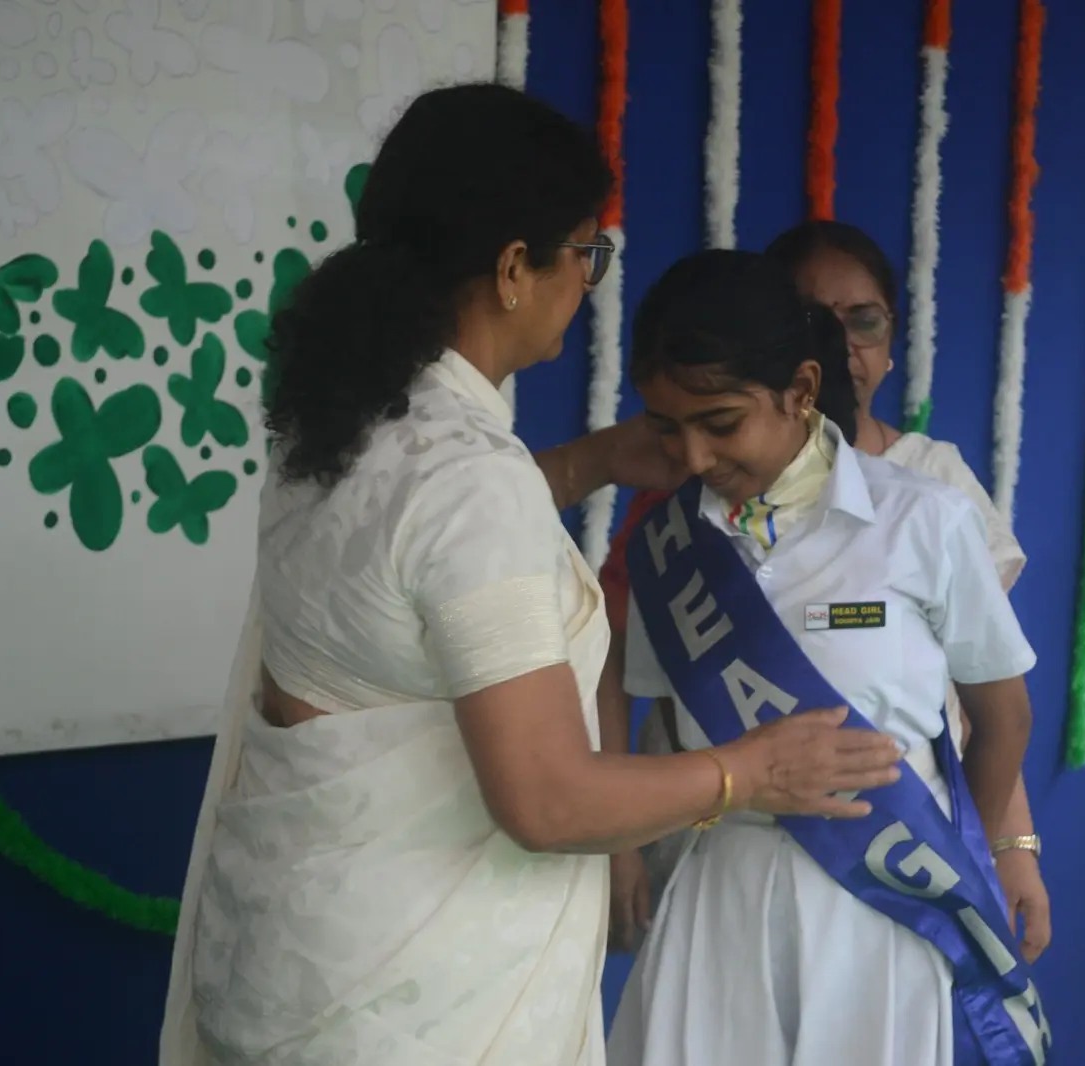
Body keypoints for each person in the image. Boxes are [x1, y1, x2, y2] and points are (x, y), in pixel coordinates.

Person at [159, 85, 903, 1066]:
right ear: (515, 268)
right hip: (416, 1010)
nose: (589, 278)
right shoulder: (471, 481)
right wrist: (752, 772)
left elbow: (421, 554)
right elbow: (547, 800)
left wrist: (590, 462)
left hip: (297, 963)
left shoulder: (342, 425)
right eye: (585, 251)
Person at [604, 250, 1050, 1066]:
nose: (694, 457)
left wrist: (964, 871)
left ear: (801, 389)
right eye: (668, 427)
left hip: (887, 908)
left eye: (721, 423)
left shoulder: (924, 518)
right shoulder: (667, 547)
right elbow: (670, 723)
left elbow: (1004, 718)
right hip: (720, 897)